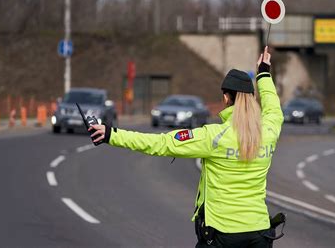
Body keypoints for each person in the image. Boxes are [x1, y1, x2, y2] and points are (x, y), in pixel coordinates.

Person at [89, 46, 284, 247]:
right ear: (251, 99)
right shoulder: (268, 132)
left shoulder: (213, 136)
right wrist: (263, 74)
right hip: (259, 234)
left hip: (223, 235)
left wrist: (111, 134)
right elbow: (273, 107)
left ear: (226, 97)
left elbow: (160, 143)